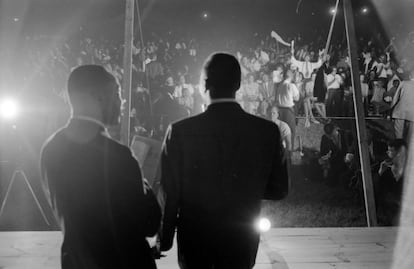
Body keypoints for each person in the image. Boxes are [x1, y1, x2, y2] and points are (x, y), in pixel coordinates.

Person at [159, 52, 289, 269]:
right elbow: (280, 189)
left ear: (204, 85)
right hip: (242, 237)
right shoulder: (266, 131)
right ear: (238, 84)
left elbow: (170, 192)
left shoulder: (180, 131)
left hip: (195, 238)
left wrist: (164, 241)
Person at [40, 65, 161, 269]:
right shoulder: (117, 156)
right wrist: (144, 182)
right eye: (117, 93)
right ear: (98, 97)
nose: (121, 102)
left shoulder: (50, 148)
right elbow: (148, 223)